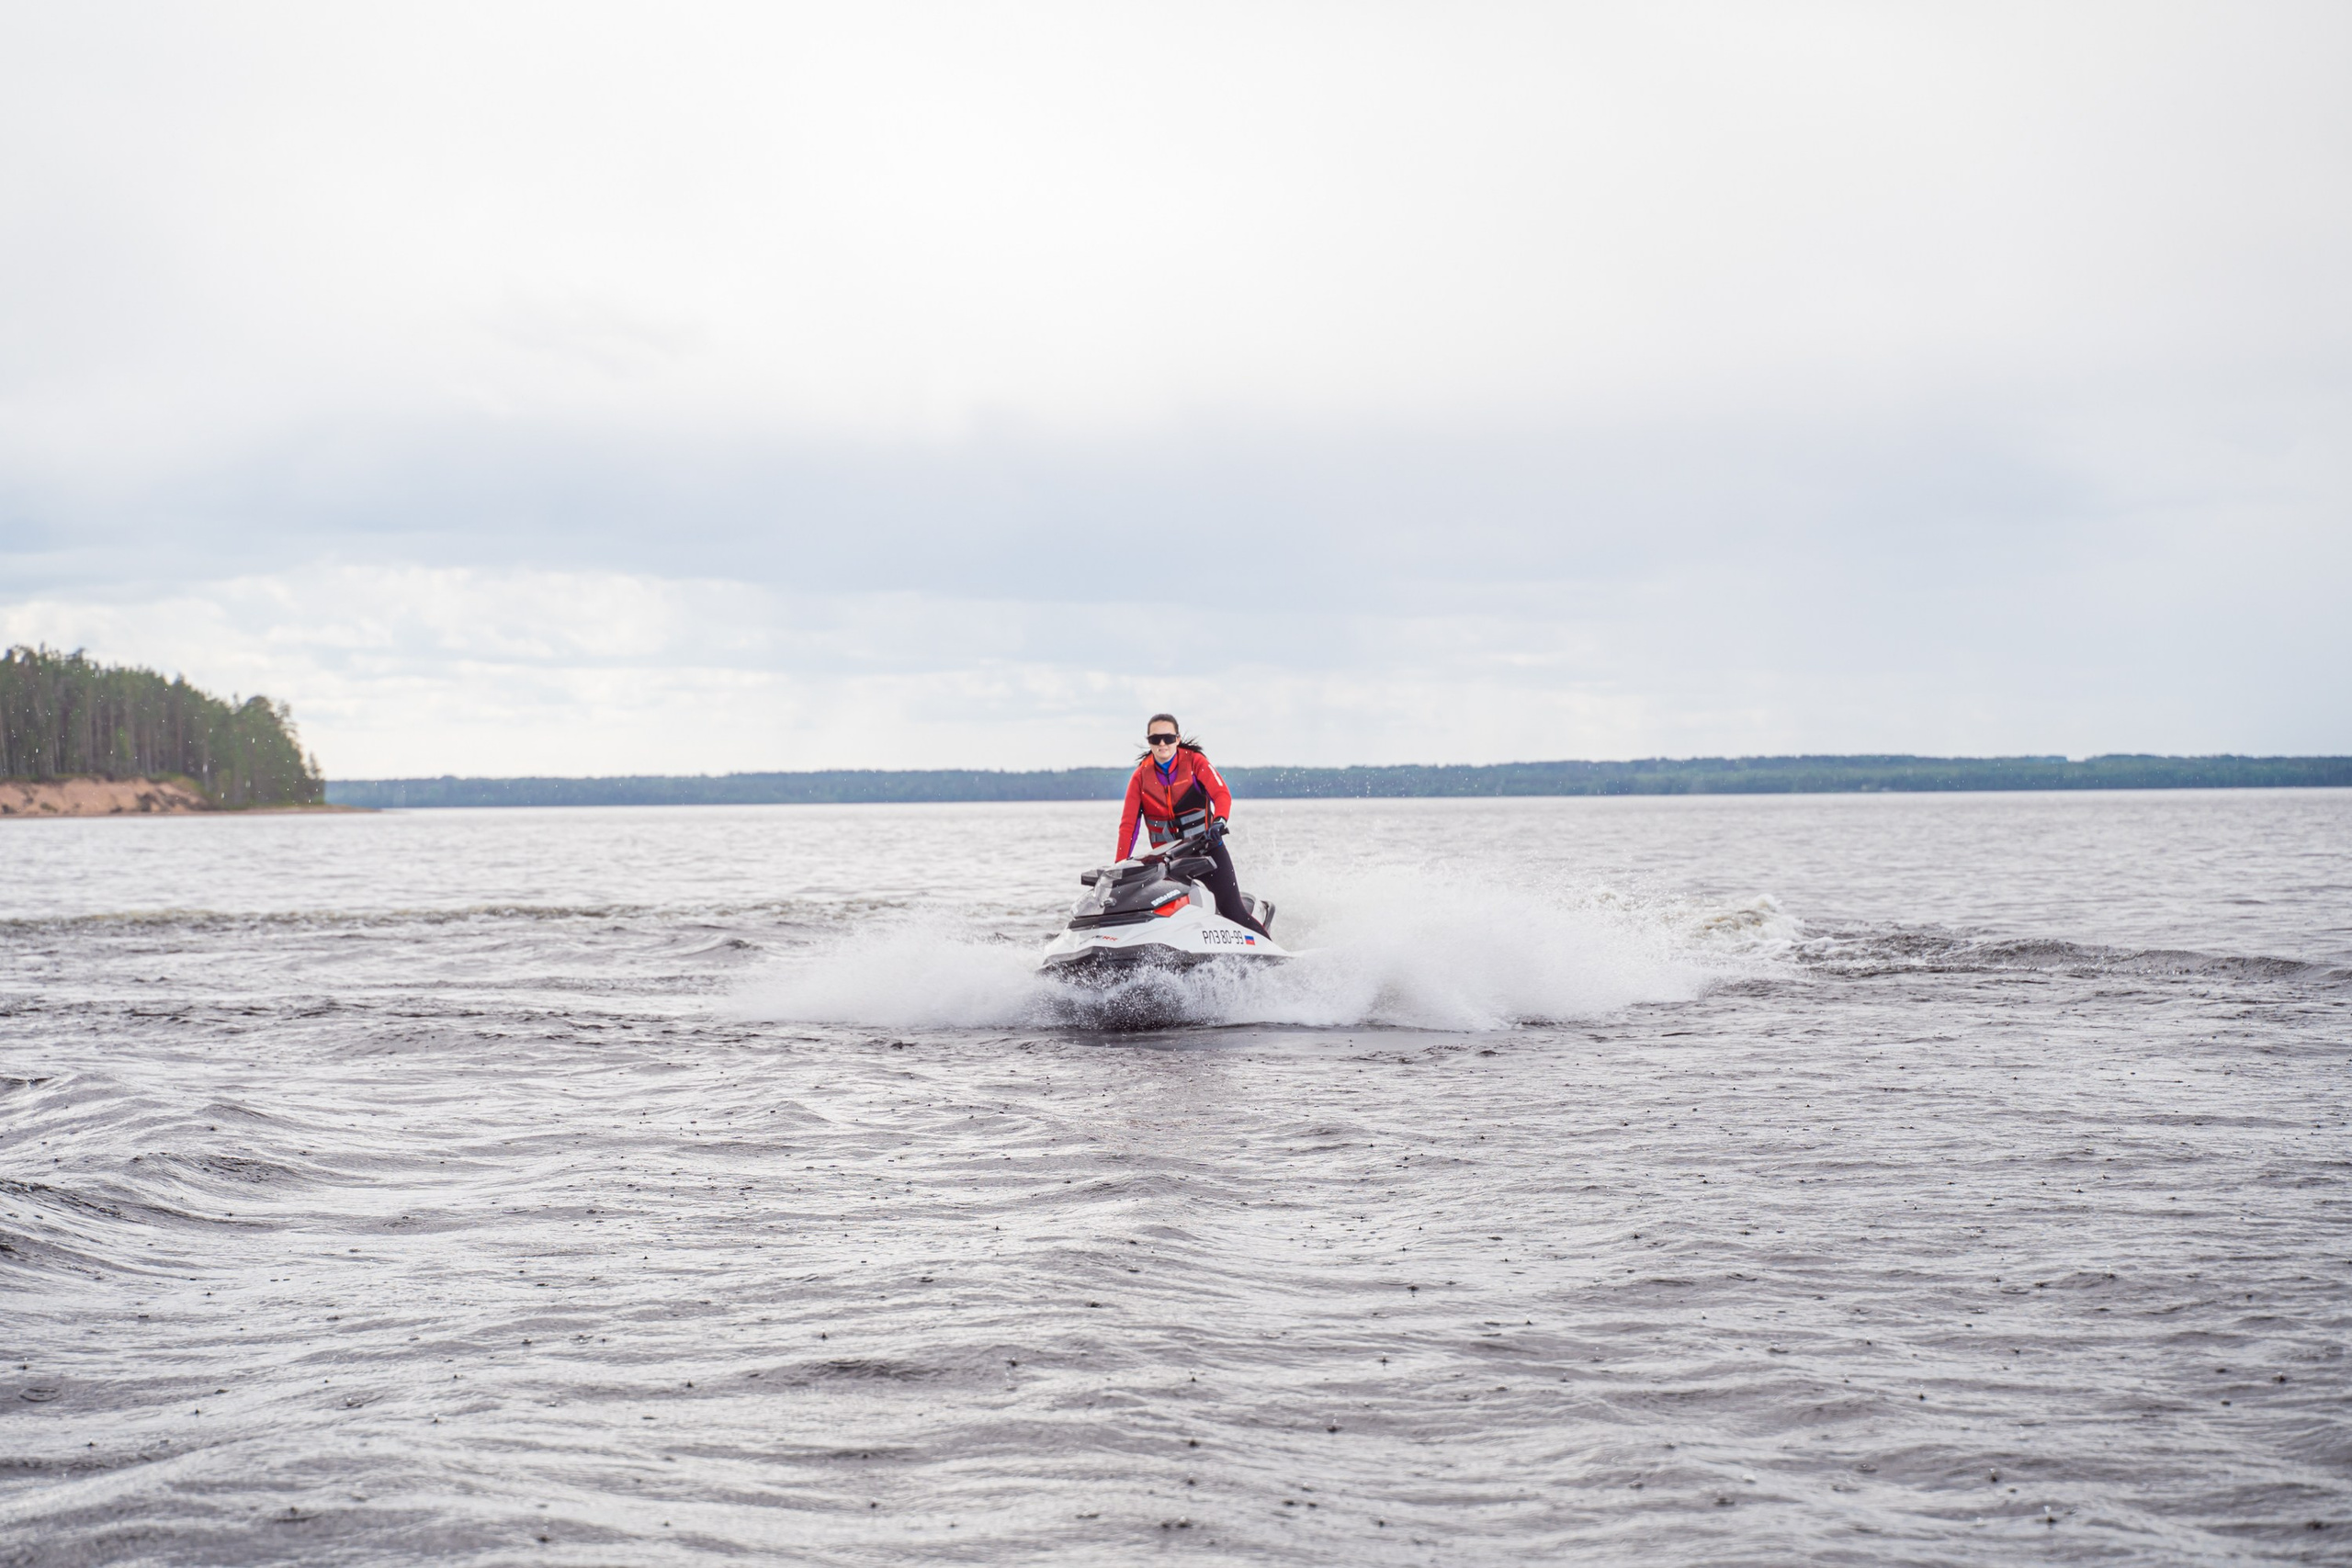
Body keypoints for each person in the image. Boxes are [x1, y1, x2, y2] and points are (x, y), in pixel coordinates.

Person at [1116, 713, 1271, 937]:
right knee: (1158, 914)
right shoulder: (1140, 777)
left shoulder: (1195, 762)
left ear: (1177, 739)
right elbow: (1128, 826)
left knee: (1233, 911)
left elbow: (1222, 795)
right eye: (1155, 739)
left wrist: (1220, 821)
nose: (1162, 744)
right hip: (1168, 860)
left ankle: (1277, 956)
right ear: (1148, 741)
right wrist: (1121, 865)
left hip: (1207, 852)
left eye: (1168, 738)